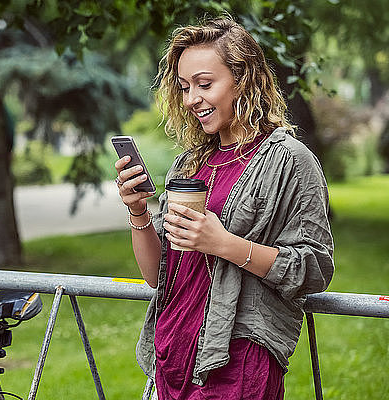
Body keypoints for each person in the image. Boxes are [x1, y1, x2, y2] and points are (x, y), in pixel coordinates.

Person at [114, 17, 334, 400]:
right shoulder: (190, 163)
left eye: (204, 84)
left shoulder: (290, 161)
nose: (190, 99)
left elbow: (313, 269)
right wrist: (138, 213)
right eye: (184, 87)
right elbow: (157, 275)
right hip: (173, 350)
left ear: (243, 80)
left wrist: (223, 243)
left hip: (237, 359)